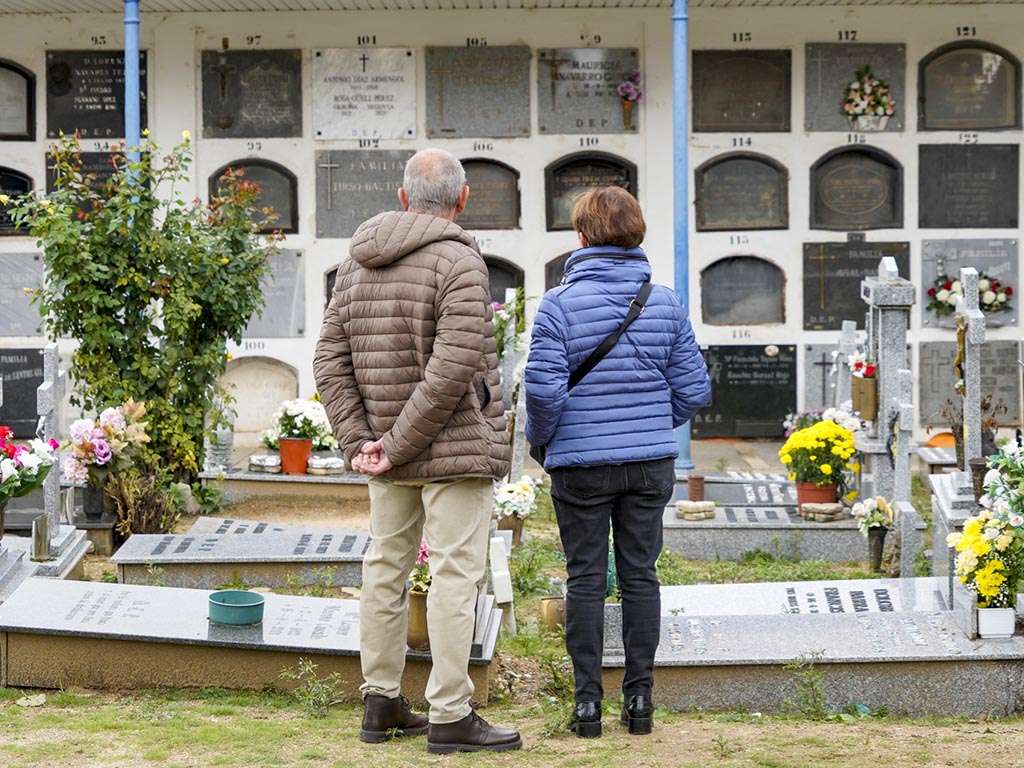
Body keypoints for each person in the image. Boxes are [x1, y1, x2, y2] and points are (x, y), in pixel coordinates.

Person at [314, 148, 521, 755]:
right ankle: (450, 713)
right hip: (452, 447)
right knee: (456, 574)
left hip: (385, 449)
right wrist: (390, 445)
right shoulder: (459, 260)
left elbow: (328, 361)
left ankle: (380, 700)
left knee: (385, 568)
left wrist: (364, 441)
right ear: (462, 199)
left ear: (404, 198)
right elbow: (454, 367)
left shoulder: (356, 262)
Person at [524, 185, 711, 739]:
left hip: (580, 467)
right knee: (640, 575)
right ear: (636, 234)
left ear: (581, 236)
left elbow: (543, 392)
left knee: (584, 578)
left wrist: (546, 441)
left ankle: (587, 706)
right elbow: (694, 390)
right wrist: (651, 425)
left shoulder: (558, 305)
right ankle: (640, 702)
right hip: (650, 464)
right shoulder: (665, 302)